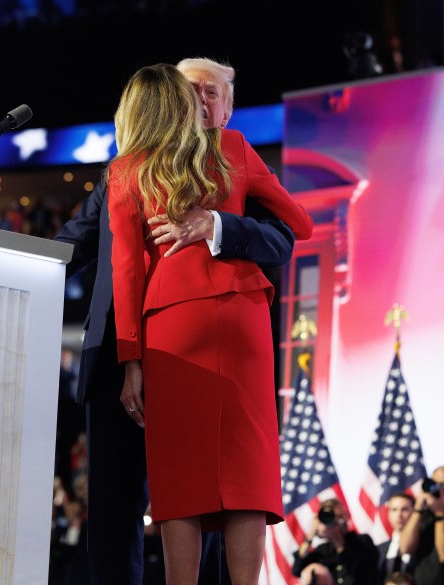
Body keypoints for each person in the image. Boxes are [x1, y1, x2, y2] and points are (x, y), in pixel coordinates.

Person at [54, 57, 296, 585]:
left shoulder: (237, 160)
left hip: (209, 343)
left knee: (212, 490)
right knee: (117, 515)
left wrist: (220, 226)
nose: (199, 101)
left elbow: (282, 239)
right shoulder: (130, 170)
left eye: (212, 92)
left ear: (228, 106)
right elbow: (71, 245)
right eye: (190, 91)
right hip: (121, 359)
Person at [399, 465, 444, 585]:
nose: (441, 491)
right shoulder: (423, 514)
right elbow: (405, 548)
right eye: (437, 485)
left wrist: (441, 514)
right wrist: (418, 509)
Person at [292, 498, 379, 585]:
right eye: (330, 517)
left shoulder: (362, 541)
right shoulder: (323, 551)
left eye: (340, 516)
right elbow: (297, 569)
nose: (335, 521)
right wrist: (312, 533)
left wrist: (339, 541)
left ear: (346, 516)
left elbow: (369, 564)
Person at [377, 491, 415, 582]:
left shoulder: (423, 547)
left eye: (404, 509)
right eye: (394, 510)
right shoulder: (379, 550)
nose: (399, 515)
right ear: (388, 514)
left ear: (414, 512)